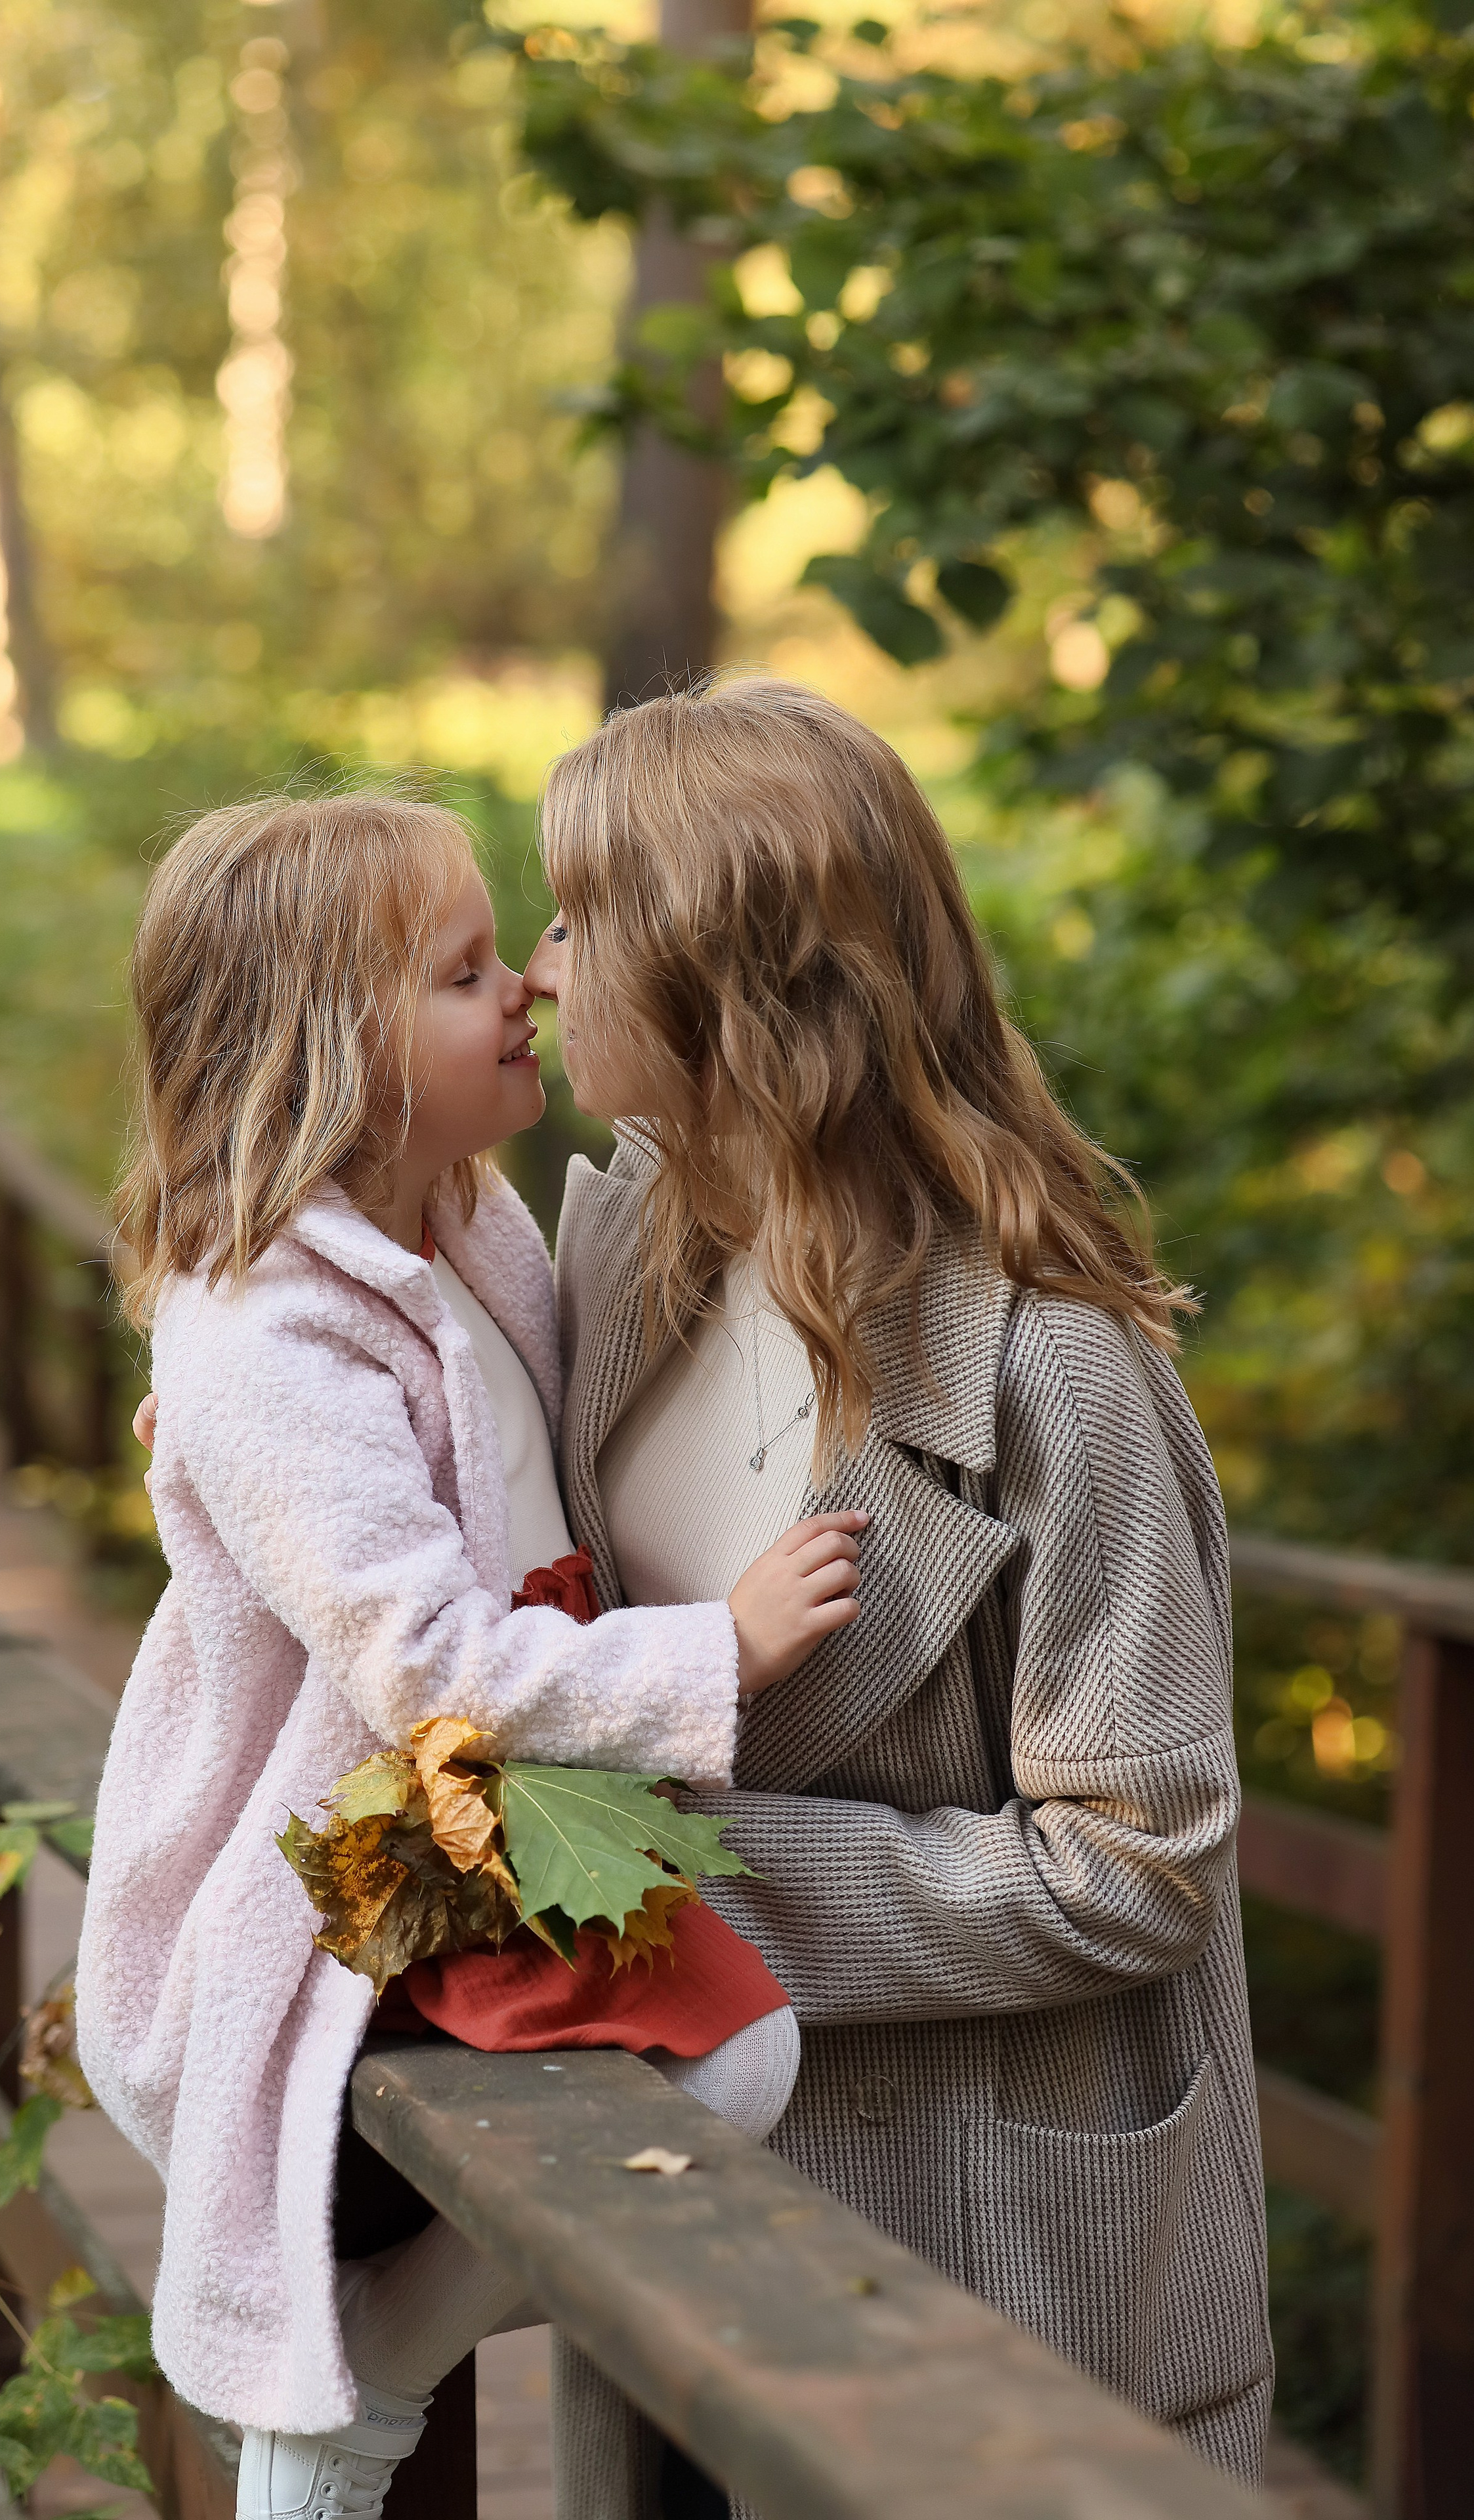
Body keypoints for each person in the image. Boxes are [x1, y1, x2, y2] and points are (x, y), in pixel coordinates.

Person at [521, 675, 1273, 2516]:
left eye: (579, 919)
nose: (539, 965)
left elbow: (1141, 1863)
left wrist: (675, 1887)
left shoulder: (1054, 1370)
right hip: (671, 2203)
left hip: (971, 2224)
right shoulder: (620, 1247)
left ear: (724, 977)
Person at [75, 791, 869, 2520]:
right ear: (331, 1053)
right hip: (357, 1863)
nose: (522, 988)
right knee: (733, 2062)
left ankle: (369, 2366)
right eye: (462, 971)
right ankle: (366, 2378)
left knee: (729, 2060)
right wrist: (718, 1653)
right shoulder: (262, 1324)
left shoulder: (468, 1223)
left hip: (491, 1807)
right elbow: (429, 1663)